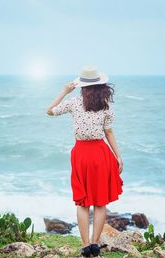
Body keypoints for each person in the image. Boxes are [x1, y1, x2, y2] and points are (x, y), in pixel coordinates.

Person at [46, 66, 124, 257]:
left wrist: (64, 91)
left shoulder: (73, 103)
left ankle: (85, 246)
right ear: (100, 86)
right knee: (100, 202)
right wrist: (118, 157)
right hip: (100, 153)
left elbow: (49, 111)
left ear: (82, 86)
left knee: (82, 202)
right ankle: (95, 245)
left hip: (81, 154)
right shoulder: (106, 105)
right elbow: (109, 133)